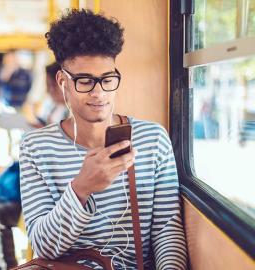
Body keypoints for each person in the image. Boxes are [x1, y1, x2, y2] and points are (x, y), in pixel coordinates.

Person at [19, 9, 187, 270]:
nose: (99, 93)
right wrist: (81, 189)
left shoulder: (152, 139)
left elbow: (167, 230)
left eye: (107, 79)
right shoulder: (36, 147)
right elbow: (44, 247)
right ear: (62, 82)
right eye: (85, 81)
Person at [0, 62, 67, 270]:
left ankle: (7, 265)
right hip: (33, 173)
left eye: (52, 86)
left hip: (48, 181)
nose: (50, 91)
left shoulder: (71, 114)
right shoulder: (52, 106)